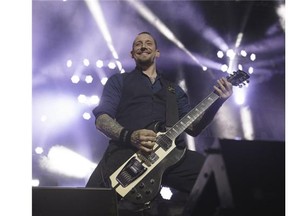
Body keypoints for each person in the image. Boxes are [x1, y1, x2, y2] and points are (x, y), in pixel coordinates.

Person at [86, 31, 233, 215]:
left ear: (157, 52)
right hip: (125, 156)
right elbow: (102, 120)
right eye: (138, 44)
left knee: (217, 178)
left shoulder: (174, 90)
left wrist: (218, 101)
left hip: (170, 157)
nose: (143, 46)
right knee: (87, 204)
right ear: (132, 53)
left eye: (148, 43)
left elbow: (193, 128)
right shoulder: (119, 81)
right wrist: (130, 136)